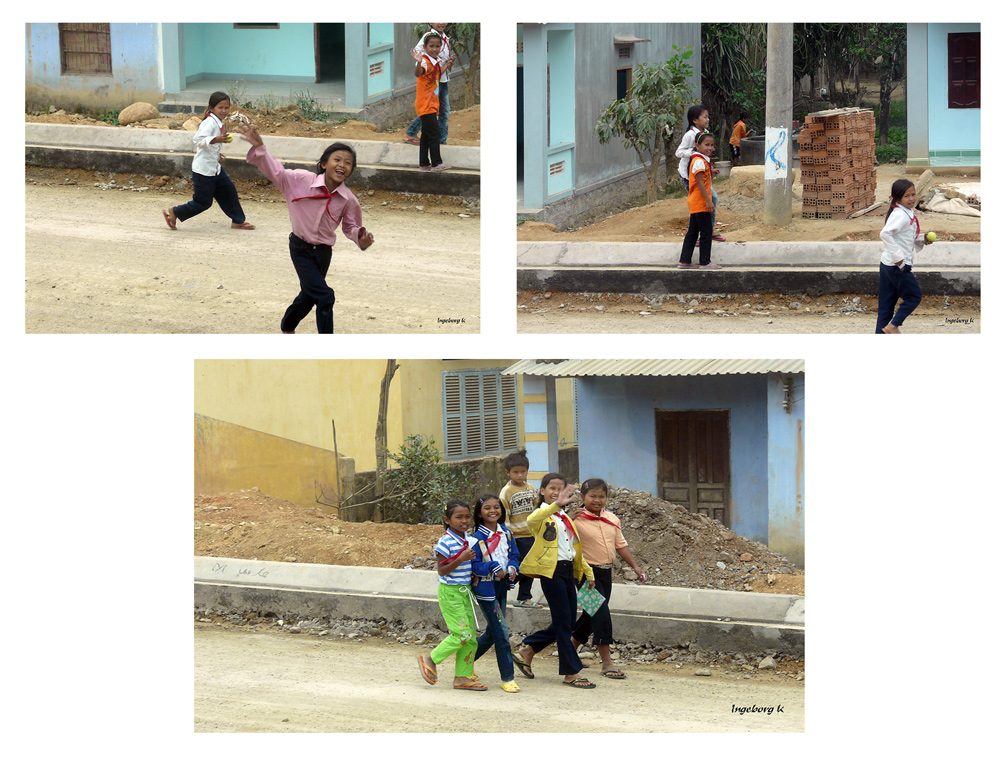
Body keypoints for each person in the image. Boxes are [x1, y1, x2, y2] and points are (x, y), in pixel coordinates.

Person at [236, 124, 374, 334]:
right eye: (337, 159)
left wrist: (360, 239)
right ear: (324, 164)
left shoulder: (348, 199)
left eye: (348, 163)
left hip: (323, 253)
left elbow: (351, 226)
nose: (342, 165)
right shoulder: (300, 180)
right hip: (300, 248)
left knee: (309, 297)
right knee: (325, 296)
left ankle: (288, 326)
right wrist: (260, 147)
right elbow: (277, 173)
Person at [513, 480, 597, 689]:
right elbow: (532, 519)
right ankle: (570, 672)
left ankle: (528, 650)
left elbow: (574, 549)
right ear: (542, 491)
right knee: (563, 623)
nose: (557, 493)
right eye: (552, 488)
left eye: (561, 490)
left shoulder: (565, 518)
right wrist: (556, 505)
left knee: (566, 623)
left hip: (568, 571)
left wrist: (588, 572)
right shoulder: (542, 516)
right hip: (551, 572)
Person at [569, 478, 648, 679]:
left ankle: (568, 651)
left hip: (606, 574)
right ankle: (607, 663)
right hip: (586, 576)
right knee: (601, 614)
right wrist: (567, 519)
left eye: (601, 496)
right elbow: (562, 540)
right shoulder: (575, 520)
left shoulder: (612, 519)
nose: (597, 500)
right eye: (592, 496)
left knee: (590, 615)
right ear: (582, 497)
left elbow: (620, 545)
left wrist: (636, 567)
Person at [417, 500, 487, 691]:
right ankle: (431, 658)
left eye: (467, 517)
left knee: (471, 637)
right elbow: (442, 570)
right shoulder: (445, 541)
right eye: (458, 517)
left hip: (465, 592)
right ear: (448, 520)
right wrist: (461, 558)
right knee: (462, 634)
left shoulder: (468, 539)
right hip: (450, 593)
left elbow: (468, 566)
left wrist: (472, 575)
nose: (464, 521)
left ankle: (462, 677)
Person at [163, 91, 254, 231]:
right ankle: (175, 212)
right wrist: (216, 140)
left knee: (229, 191)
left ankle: (238, 221)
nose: (224, 111)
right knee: (203, 203)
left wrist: (216, 153)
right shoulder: (210, 122)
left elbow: (209, 144)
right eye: (220, 107)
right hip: (204, 170)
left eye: (226, 107)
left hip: (214, 167)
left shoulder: (218, 122)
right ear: (211, 108)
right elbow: (198, 140)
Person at [469, 494, 521, 693]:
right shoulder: (477, 539)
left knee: (493, 631)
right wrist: (492, 567)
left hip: (502, 586)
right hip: (486, 590)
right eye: (487, 508)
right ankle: (507, 677)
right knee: (502, 633)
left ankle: (465, 662)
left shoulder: (506, 533)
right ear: (480, 514)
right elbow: (473, 566)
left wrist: (513, 568)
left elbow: (514, 555)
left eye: (496, 507)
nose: (493, 511)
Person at [877, 179, 932, 334]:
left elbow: (905, 237)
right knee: (914, 296)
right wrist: (899, 258)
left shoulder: (904, 212)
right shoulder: (901, 214)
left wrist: (922, 239)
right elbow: (885, 234)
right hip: (897, 266)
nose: (912, 199)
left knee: (885, 308)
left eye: (913, 194)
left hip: (887, 264)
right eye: (907, 196)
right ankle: (893, 326)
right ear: (898, 198)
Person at [501, 450, 543, 608]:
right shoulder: (506, 492)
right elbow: (504, 516)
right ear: (508, 472)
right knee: (520, 566)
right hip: (516, 537)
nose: (520, 475)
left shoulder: (531, 488)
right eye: (515, 472)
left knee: (530, 566)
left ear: (527, 471)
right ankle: (501, 587)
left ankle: (524, 596)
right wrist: (508, 537)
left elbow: (536, 510)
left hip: (531, 535)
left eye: (523, 472)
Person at [676, 104, 724, 243]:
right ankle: (701, 233)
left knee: (710, 200)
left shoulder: (705, 132)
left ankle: (708, 230)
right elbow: (678, 152)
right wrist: (693, 152)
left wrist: (710, 169)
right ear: (695, 120)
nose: (708, 119)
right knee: (700, 206)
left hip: (700, 174)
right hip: (689, 176)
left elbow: (704, 157)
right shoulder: (690, 135)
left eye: (708, 117)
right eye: (705, 117)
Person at [404, 24, 456, 146]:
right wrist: (424, 65)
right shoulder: (429, 36)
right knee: (440, 111)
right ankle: (440, 141)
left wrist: (448, 64)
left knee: (435, 111)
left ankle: (415, 132)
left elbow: (441, 59)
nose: (441, 23)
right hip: (433, 82)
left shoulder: (444, 38)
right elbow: (418, 53)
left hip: (441, 78)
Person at [678, 132, 720, 270]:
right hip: (701, 202)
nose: (710, 148)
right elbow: (700, 183)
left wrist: (712, 171)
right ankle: (705, 262)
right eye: (706, 145)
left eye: (712, 145)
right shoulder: (699, 161)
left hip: (695, 202)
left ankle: (684, 260)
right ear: (697, 145)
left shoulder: (700, 160)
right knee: (706, 232)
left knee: (693, 232)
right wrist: (709, 201)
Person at [413, 32, 449, 171]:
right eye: (431, 46)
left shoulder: (434, 61)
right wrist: (419, 61)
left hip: (431, 104)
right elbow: (418, 73)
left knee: (426, 135)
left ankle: (424, 163)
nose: (434, 49)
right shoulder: (425, 62)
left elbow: (437, 75)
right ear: (425, 47)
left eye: (437, 46)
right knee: (435, 133)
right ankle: (436, 163)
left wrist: (447, 63)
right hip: (426, 105)